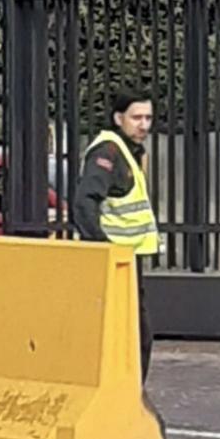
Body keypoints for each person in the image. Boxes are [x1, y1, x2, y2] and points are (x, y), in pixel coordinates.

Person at [72, 88, 161, 383]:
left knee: (133, 336)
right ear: (118, 118)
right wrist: (100, 249)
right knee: (135, 337)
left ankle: (129, 394)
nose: (144, 125)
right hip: (114, 262)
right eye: (137, 117)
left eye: (148, 117)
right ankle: (129, 396)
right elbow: (85, 202)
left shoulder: (129, 152)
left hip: (127, 261)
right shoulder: (109, 151)